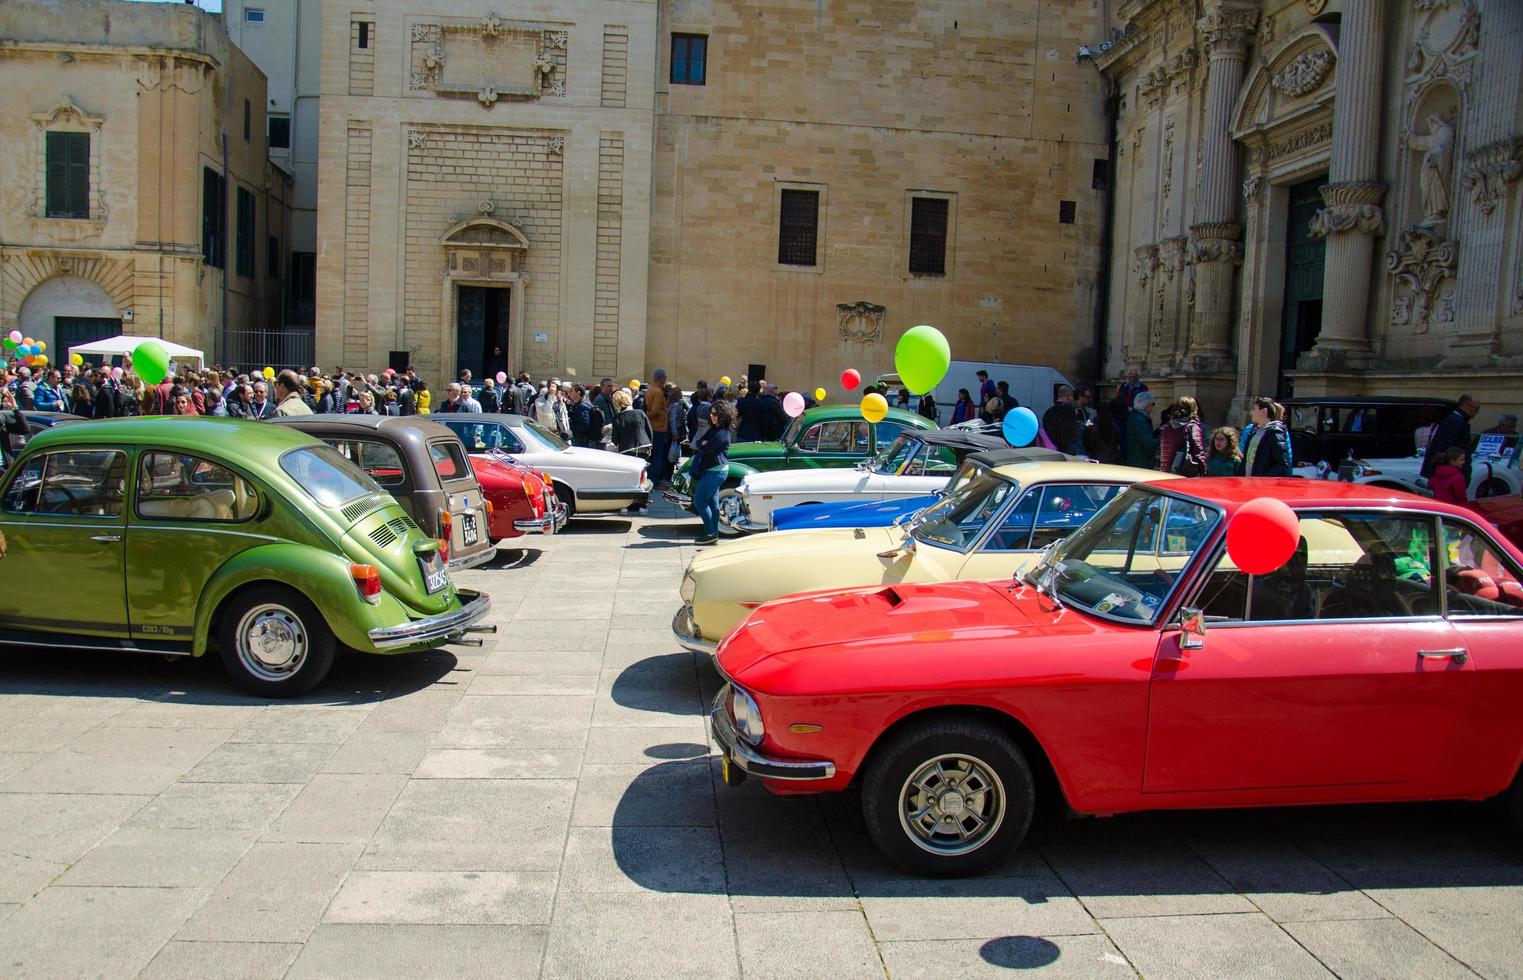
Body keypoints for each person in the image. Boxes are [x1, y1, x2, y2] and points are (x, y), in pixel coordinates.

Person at [691, 399, 735, 545]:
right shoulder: (715, 429)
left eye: (715, 414)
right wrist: (702, 444)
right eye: (711, 413)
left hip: (716, 471)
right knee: (712, 503)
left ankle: (710, 533)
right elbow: (699, 442)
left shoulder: (722, 433)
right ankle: (713, 534)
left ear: (723, 415)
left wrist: (703, 444)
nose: (712, 416)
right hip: (713, 470)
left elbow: (705, 448)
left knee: (699, 501)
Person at [610, 388, 653, 512]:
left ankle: (627, 505)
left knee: (628, 478)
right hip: (643, 447)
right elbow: (649, 431)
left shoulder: (618, 418)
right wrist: (650, 446)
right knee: (642, 477)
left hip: (626, 449)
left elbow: (615, 440)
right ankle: (641, 505)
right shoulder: (640, 413)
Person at [1422, 394, 1480, 480]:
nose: (1477, 412)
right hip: (1450, 476)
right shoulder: (1456, 422)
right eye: (1476, 409)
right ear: (1467, 406)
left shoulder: (1455, 420)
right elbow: (1443, 447)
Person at [1242, 396, 1291, 477]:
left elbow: (1281, 465)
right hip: (1248, 485)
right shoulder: (1253, 432)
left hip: (1262, 486)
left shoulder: (1276, 433)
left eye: (1254, 409)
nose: (1251, 413)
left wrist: (1262, 480)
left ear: (1264, 411)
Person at [1159, 396, 1206, 476]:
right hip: (1184, 473)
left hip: (1166, 472)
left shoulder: (1167, 428)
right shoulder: (1192, 427)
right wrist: (1203, 473)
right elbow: (1199, 452)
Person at [1042, 385, 1084, 456]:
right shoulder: (1069, 410)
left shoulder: (1048, 411)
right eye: (1072, 396)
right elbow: (1074, 430)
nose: (1073, 399)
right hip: (1067, 448)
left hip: (1051, 447)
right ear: (1068, 396)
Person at [1125, 391, 1160, 469]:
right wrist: (1163, 439)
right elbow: (1148, 443)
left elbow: (1143, 436)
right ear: (1146, 405)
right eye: (1152, 404)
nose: (1153, 407)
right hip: (1141, 463)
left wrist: (1157, 432)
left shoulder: (1134, 416)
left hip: (1136, 461)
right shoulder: (1140, 420)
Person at [567, 383, 599, 448]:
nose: (569, 393)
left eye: (571, 391)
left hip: (582, 441)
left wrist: (571, 427)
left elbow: (584, 425)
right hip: (582, 440)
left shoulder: (582, 406)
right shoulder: (579, 404)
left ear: (578, 393)